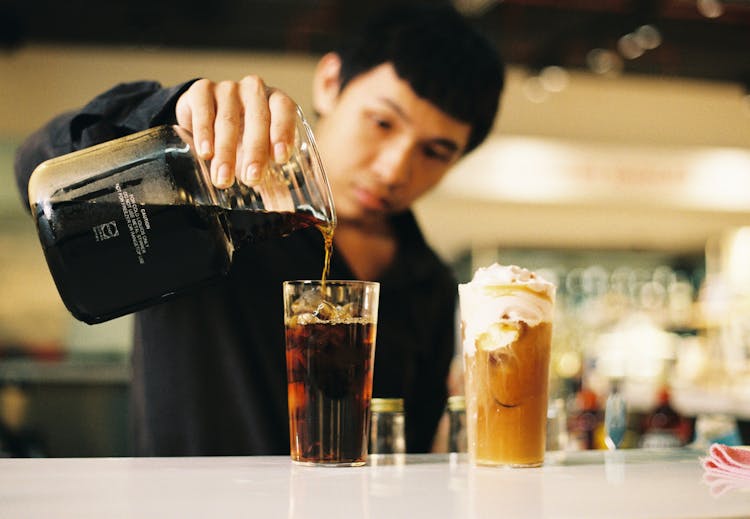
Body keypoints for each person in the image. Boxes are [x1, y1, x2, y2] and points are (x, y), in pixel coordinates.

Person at [14, 3, 505, 455]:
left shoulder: (432, 286)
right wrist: (170, 119)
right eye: (381, 123)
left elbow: (406, 448)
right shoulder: (207, 200)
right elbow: (39, 172)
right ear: (330, 82)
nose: (396, 169)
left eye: (435, 152)